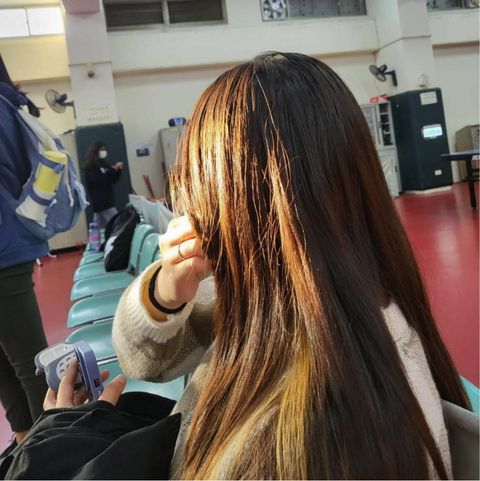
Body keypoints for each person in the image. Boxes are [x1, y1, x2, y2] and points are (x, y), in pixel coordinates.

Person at [112, 52, 470, 479]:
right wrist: (164, 295)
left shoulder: (307, 433)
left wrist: (60, 435)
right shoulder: (268, 296)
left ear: (243, 204)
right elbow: (145, 362)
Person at [0, 56, 49, 446]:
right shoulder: (8, 107)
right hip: (7, 249)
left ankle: (42, 450)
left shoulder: (4, 108)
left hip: (4, 252)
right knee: (21, 366)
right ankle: (30, 447)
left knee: (23, 366)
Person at [84, 141, 123, 229]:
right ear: (96, 151)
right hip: (102, 202)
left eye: (105, 149)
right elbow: (98, 180)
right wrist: (112, 170)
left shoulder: (104, 163)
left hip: (106, 201)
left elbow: (112, 179)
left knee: (98, 227)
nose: (103, 152)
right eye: (101, 149)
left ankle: (95, 238)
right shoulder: (91, 166)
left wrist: (117, 171)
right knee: (118, 225)